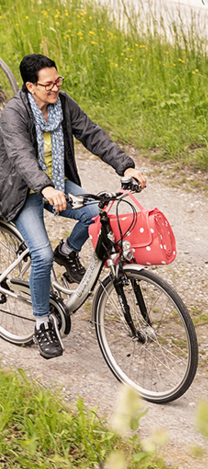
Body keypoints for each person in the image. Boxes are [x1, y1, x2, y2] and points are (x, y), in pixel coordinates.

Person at [0, 54, 146, 360]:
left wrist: (125, 167)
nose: (55, 88)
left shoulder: (62, 105)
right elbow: (22, 156)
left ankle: (67, 252)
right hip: (22, 191)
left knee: (98, 214)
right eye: (48, 84)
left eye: (58, 80)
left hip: (56, 185)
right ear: (30, 86)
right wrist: (46, 187)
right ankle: (42, 323)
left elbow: (92, 134)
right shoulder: (14, 113)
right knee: (40, 254)